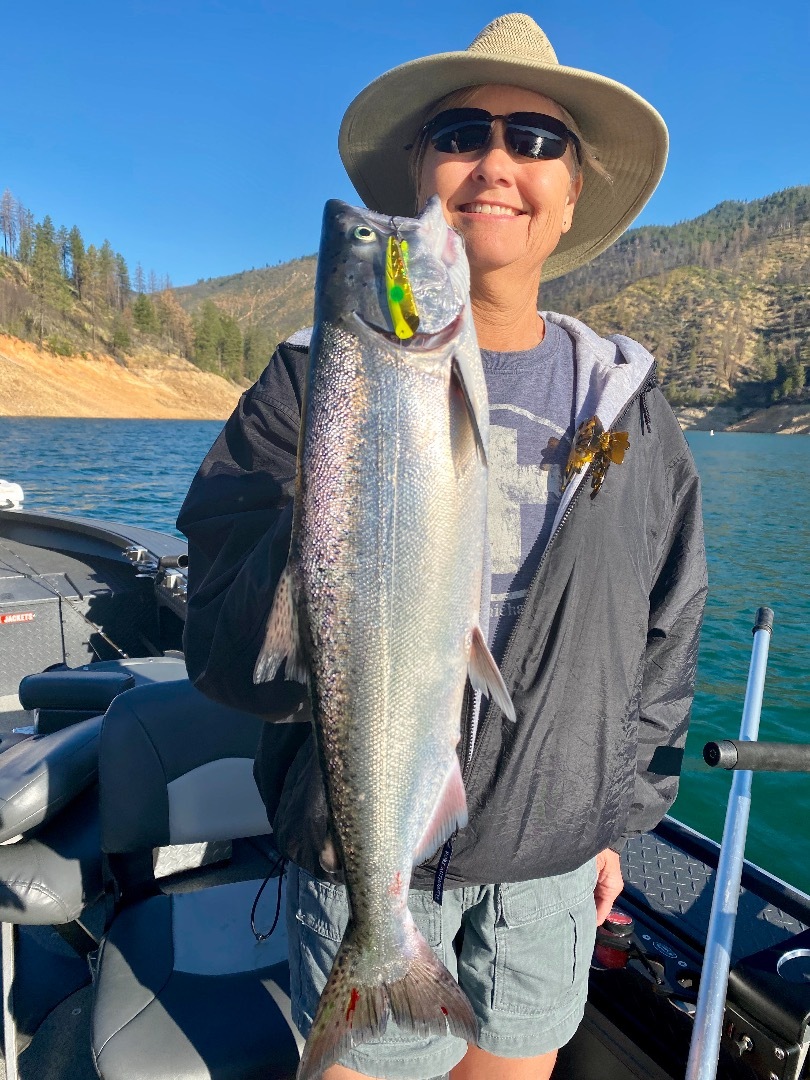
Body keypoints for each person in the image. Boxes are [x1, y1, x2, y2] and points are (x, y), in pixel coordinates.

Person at [177, 12, 707, 1080]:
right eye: (462, 133)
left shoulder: (634, 409)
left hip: (549, 874)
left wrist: (615, 822)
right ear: (420, 177)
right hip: (361, 859)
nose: (496, 163)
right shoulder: (305, 382)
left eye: (537, 140)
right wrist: (331, 522)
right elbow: (225, 640)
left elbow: (665, 641)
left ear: (570, 199)